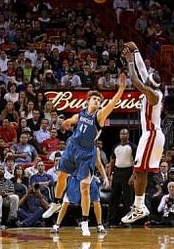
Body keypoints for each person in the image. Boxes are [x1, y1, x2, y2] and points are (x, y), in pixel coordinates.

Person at [42, 73, 126, 236]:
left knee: (85, 188)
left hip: (86, 153)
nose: (97, 102)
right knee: (61, 175)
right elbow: (71, 121)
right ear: (88, 101)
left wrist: (121, 89)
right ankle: (56, 203)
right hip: (72, 147)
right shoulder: (80, 114)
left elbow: (113, 104)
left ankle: (86, 222)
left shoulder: (99, 116)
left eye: (99, 100)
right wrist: (66, 123)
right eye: (94, 99)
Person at [121, 43, 165, 224]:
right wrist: (137, 51)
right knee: (141, 170)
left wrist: (129, 62)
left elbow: (136, 79)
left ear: (150, 85)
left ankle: (139, 206)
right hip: (150, 135)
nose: (145, 78)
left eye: (147, 80)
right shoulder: (153, 87)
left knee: (141, 170)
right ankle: (139, 205)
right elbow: (142, 70)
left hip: (152, 135)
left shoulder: (153, 95)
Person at [52, 149, 109, 234]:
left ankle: (100, 225)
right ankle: (57, 225)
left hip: (89, 178)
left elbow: (99, 164)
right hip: (75, 178)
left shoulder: (95, 149)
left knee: (96, 202)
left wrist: (105, 177)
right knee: (66, 202)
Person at [106, 128, 136, 226]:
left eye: (125, 134)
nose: (123, 136)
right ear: (119, 135)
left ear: (128, 135)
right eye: (121, 134)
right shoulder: (115, 146)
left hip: (128, 172)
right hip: (117, 173)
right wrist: (109, 175)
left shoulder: (132, 147)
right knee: (113, 198)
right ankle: (110, 221)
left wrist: (133, 176)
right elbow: (112, 162)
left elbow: (136, 163)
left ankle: (127, 222)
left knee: (128, 199)